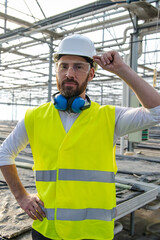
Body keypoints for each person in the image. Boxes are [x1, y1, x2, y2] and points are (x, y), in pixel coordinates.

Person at [0, 34, 160, 240]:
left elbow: (157, 111)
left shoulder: (110, 117)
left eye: (78, 67)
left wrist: (122, 70)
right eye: (63, 66)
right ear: (56, 71)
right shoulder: (35, 117)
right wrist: (21, 196)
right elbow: (4, 153)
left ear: (91, 74)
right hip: (47, 230)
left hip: (92, 232)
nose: (69, 73)